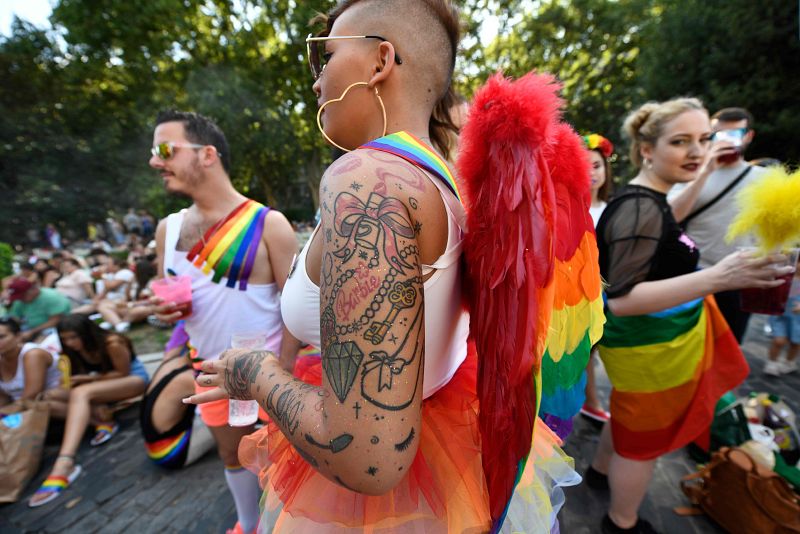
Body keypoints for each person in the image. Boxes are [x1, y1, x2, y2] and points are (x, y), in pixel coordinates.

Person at [185, 2, 588, 532]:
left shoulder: (367, 178)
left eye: (324, 56)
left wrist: (255, 374)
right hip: (448, 459)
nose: (316, 79)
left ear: (380, 61)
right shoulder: (450, 180)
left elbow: (367, 458)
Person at [587, 98, 793, 534]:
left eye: (705, 139)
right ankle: (621, 522)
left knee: (630, 422)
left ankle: (601, 472)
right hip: (647, 346)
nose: (698, 151)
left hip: (652, 345)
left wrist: (700, 175)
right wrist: (719, 276)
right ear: (647, 149)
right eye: (681, 141)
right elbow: (620, 299)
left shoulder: (652, 199)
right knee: (643, 444)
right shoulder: (639, 207)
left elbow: (665, 222)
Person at [148, 110, 297, 534]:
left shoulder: (270, 224)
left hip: (270, 374)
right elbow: (171, 297)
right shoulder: (167, 230)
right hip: (210, 375)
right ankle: (248, 525)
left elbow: (294, 308)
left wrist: (282, 373)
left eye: (165, 150)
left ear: (207, 154)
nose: (155, 162)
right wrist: (165, 312)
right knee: (233, 459)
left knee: (282, 464)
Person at [669, 107, 769, 343]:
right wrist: (705, 171)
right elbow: (668, 217)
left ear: (748, 136)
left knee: (728, 351)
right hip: (693, 278)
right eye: (719, 135)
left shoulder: (765, 179)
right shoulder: (690, 173)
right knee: (689, 353)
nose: (727, 141)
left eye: (734, 134)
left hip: (740, 281)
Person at [28, 314, 148, 507]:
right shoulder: (71, 350)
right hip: (98, 386)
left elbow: (121, 372)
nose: (70, 342)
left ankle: (65, 461)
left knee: (82, 393)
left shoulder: (112, 342)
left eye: (74, 337)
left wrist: (86, 380)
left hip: (132, 380)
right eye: (65, 338)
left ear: (87, 333)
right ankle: (101, 418)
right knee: (48, 397)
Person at [140, 322, 215, 469]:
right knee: (228, 417)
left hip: (153, 445)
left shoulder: (172, 362)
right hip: (169, 452)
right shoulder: (188, 378)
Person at [581, 133, 615, 424]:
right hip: (574, 298)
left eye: (597, 166)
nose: (591, 173)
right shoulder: (566, 209)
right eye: (585, 165)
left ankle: (591, 401)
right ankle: (589, 401)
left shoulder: (615, 210)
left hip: (605, 296)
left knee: (591, 354)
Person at [0, 317, 62, 407]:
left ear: (18, 337)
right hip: (19, 410)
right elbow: (3, 398)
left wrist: (4, 414)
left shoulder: (33, 354)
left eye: (1, 337)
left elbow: (32, 396)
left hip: (50, 406)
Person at [6, 277, 72, 342]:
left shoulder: (51, 297)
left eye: (22, 296)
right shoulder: (20, 301)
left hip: (53, 328)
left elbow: (55, 321)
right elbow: (14, 317)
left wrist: (31, 332)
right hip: (29, 328)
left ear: (31, 290)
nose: (20, 299)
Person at [765, 255, 800, 376]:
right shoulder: (786, 276)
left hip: (798, 318)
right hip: (781, 315)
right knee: (778, 341)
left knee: (796, 343)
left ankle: (789, 362)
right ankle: (772, 362)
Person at [95, 257, 135, 333]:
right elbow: (105, 291)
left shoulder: (125, 272)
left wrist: (103, 274)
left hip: (123, 301)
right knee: (100, 304)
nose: (106, 266)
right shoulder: (111, 275)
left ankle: (118, 324)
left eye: (108, 264)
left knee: (102, 306)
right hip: (114, 301)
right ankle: (112, 321)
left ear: (116, 265)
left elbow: (110, 286)